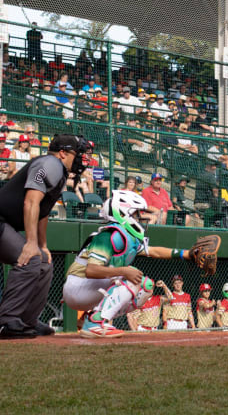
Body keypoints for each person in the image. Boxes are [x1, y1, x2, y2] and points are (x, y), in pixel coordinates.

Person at [61, 191, 201, 337]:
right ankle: (95, 322)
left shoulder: (124, 236)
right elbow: (91, 270)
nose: (140, 217)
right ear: (122, 214)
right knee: (133, 276)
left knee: (146, 286)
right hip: (78, 286)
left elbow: (154, 251)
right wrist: (124, 271)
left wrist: (186, 254)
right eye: (135, 213)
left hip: (88, 288)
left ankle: (92, 316)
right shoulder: (108, 235)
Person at [0, 134, 87, 338]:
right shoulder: (50, 163)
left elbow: (43, 211)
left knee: (44, 263)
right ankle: (6, 321)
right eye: (77, 153)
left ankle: (26, 321)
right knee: (31, 260)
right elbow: (31, 202)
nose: (80, 159)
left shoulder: (59, 171)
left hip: (6, 225)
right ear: (63, 153)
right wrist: (31, 243)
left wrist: (42, 245)